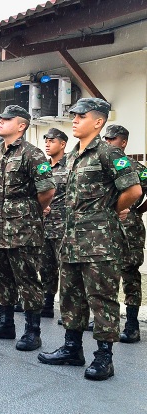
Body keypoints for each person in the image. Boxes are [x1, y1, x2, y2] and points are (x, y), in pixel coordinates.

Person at [38, 98, 142, 381]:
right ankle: (72, 348)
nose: (74, 119)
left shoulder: (109, 153)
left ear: (98, 122)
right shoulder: (72, 156)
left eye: (80, 116)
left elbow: (132, 190)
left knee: (102, 299)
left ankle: (104, 357)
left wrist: (109, 210)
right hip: (71, 240)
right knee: (71, 296)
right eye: (73, 115)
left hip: (99, 242)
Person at [0, 105, 55, 353]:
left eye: (7, 119)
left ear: (21, 125)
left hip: (24, 229)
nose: (0, 121)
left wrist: (30, 212)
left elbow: (48, 190)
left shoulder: (33, 154)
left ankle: (33, 331)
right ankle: (5, 323)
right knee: (2, 277)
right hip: (0, 227)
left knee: (28, 279)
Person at [101, 124, 146, 343]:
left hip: (130, 228)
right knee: (105, 273)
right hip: (106, 226)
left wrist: (136, 210)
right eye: (106, 139)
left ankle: (132, 323)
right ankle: (105, 319)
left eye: (113, 139)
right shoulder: (100, 166)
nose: (108, 143)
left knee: (129, 274)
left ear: (123, 142)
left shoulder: (136, 167)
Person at [40, 128, 69, 318]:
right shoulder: (43, 166)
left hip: (64, 227)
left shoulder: (71, 165)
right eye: (46, 141)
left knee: (66, 270)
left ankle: (68, 312)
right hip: (44, 226)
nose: (48, 144)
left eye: (52, 141)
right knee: (46, 267)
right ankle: (47, 304)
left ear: (63, 144)